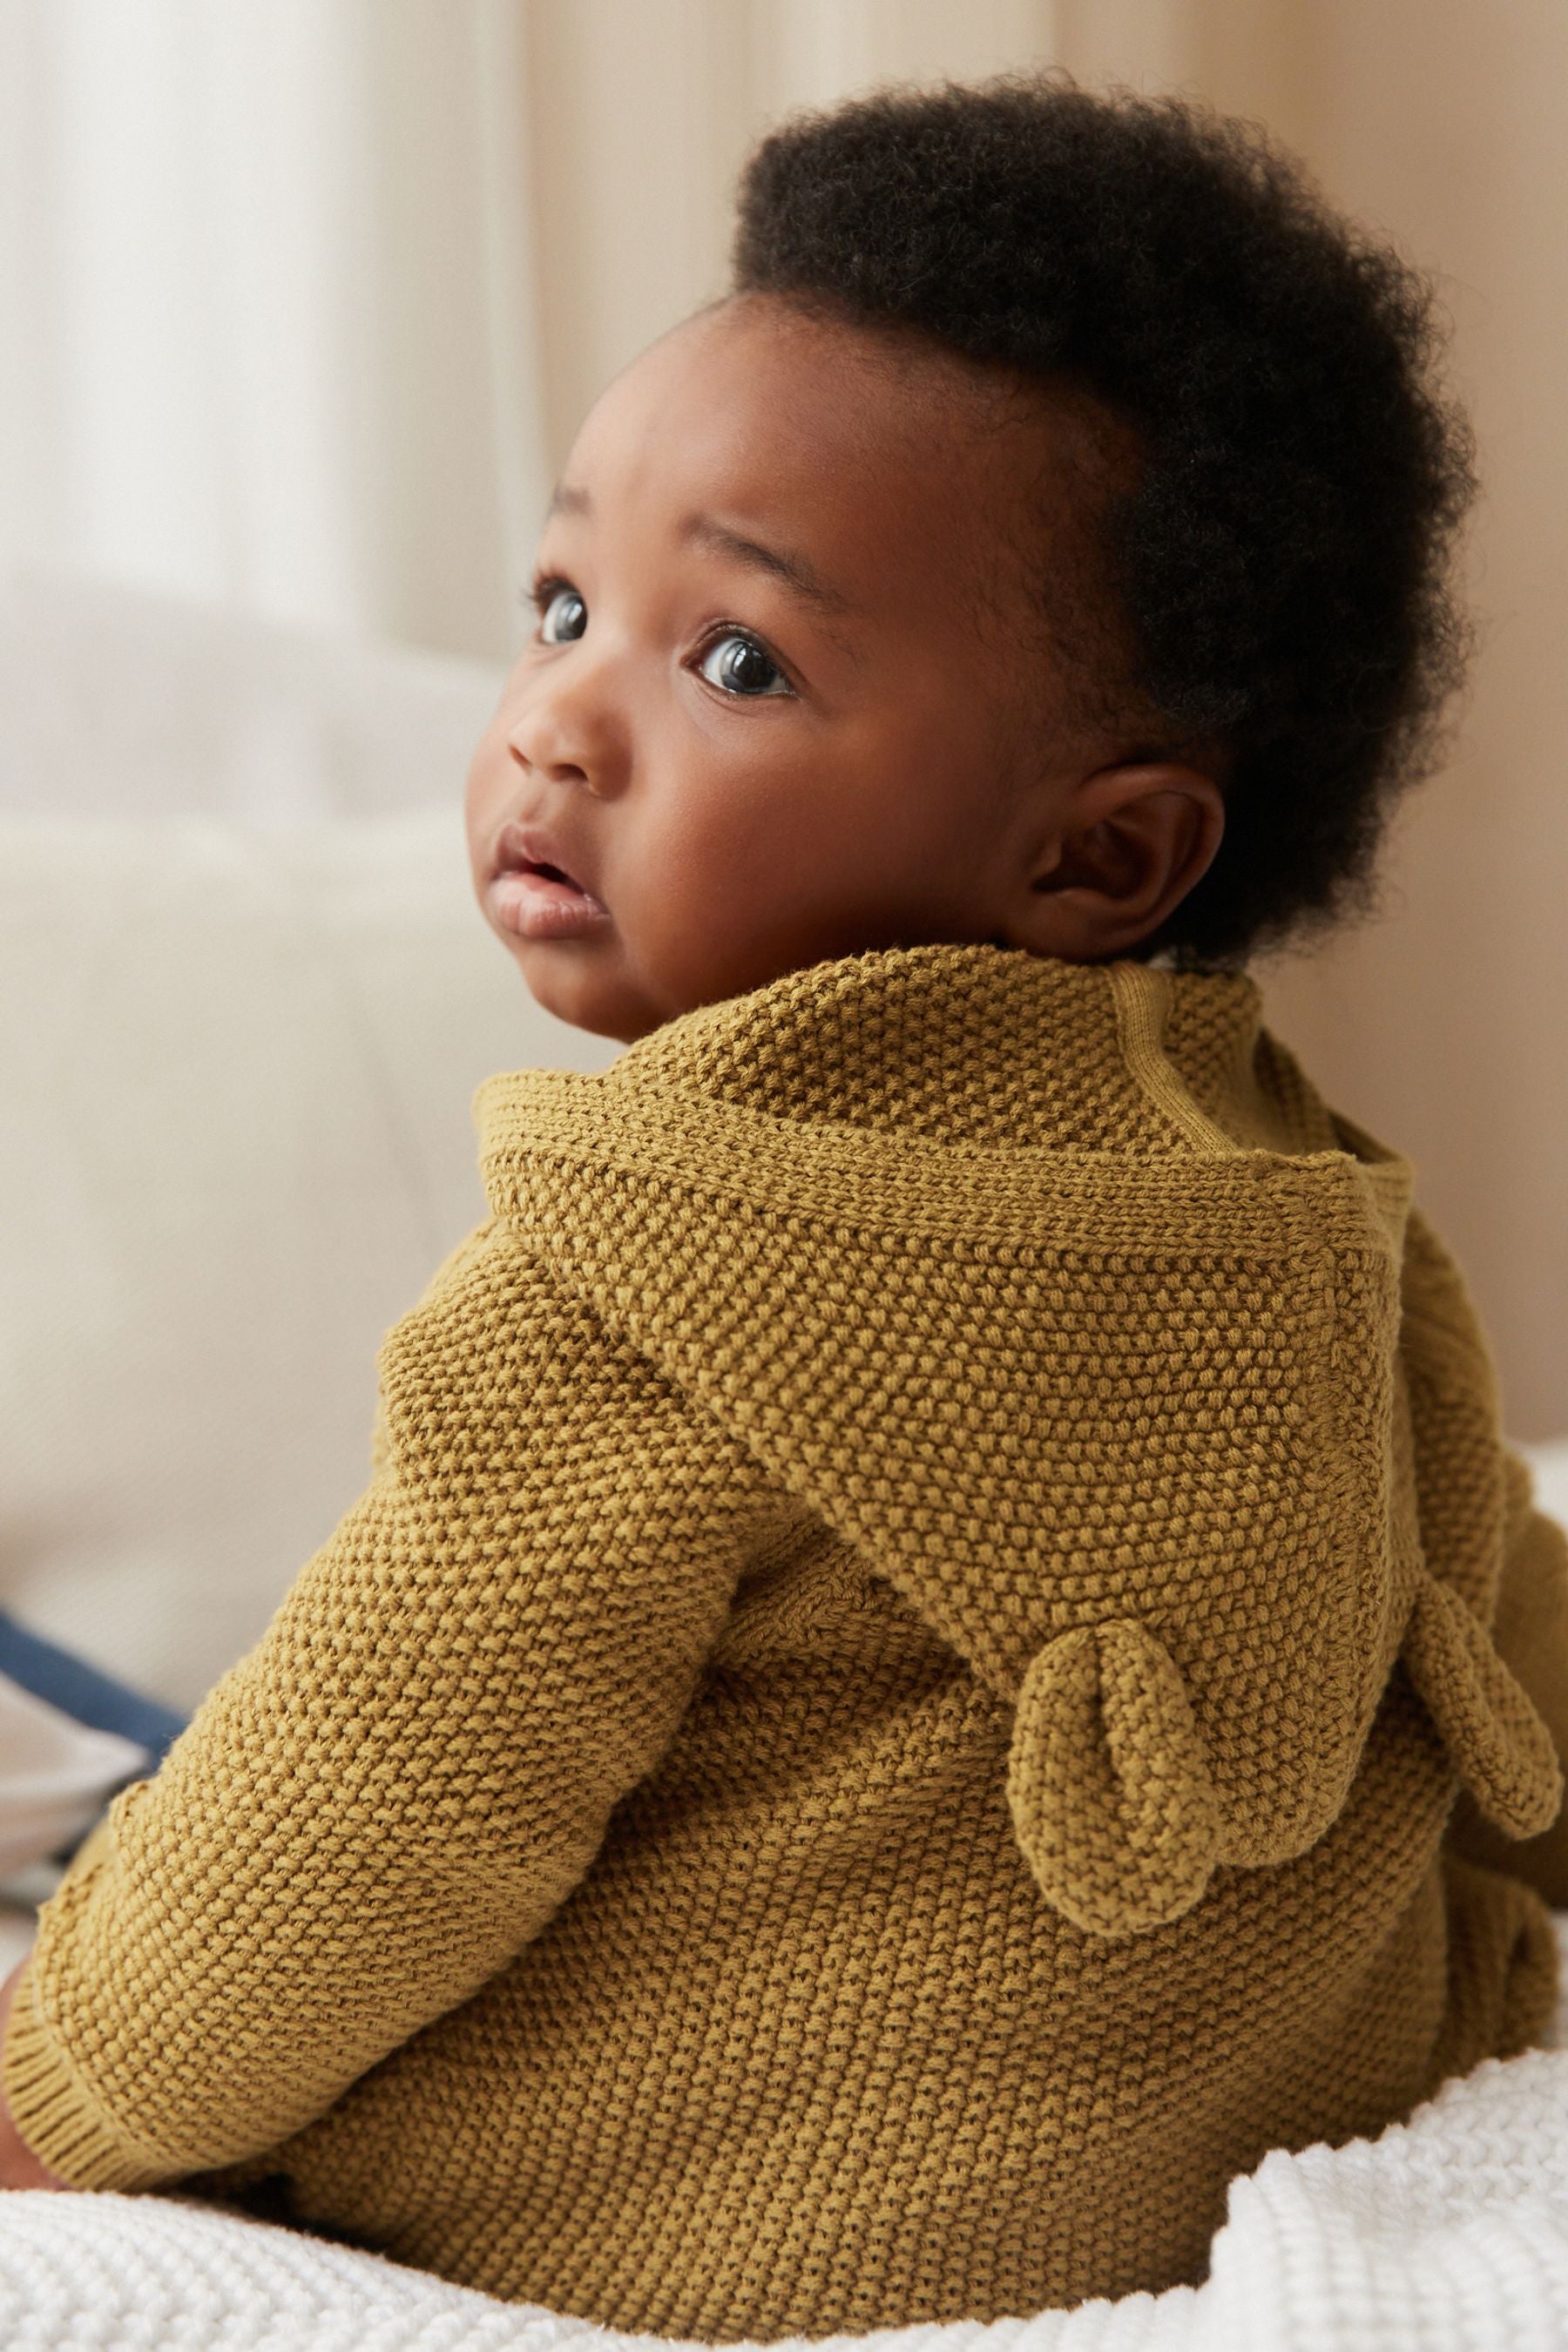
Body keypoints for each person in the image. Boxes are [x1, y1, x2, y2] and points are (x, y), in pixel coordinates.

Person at [3, 74, 1565, 2342]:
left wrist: (54, 2077)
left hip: (744, 2218)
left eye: (732, 658)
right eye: (560, 603)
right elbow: (1494, 1635)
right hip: (1228, 2119)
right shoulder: (1305, 1204)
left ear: (1105, 853)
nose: (555, 721)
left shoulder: (652, 1253)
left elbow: (368, 1803)